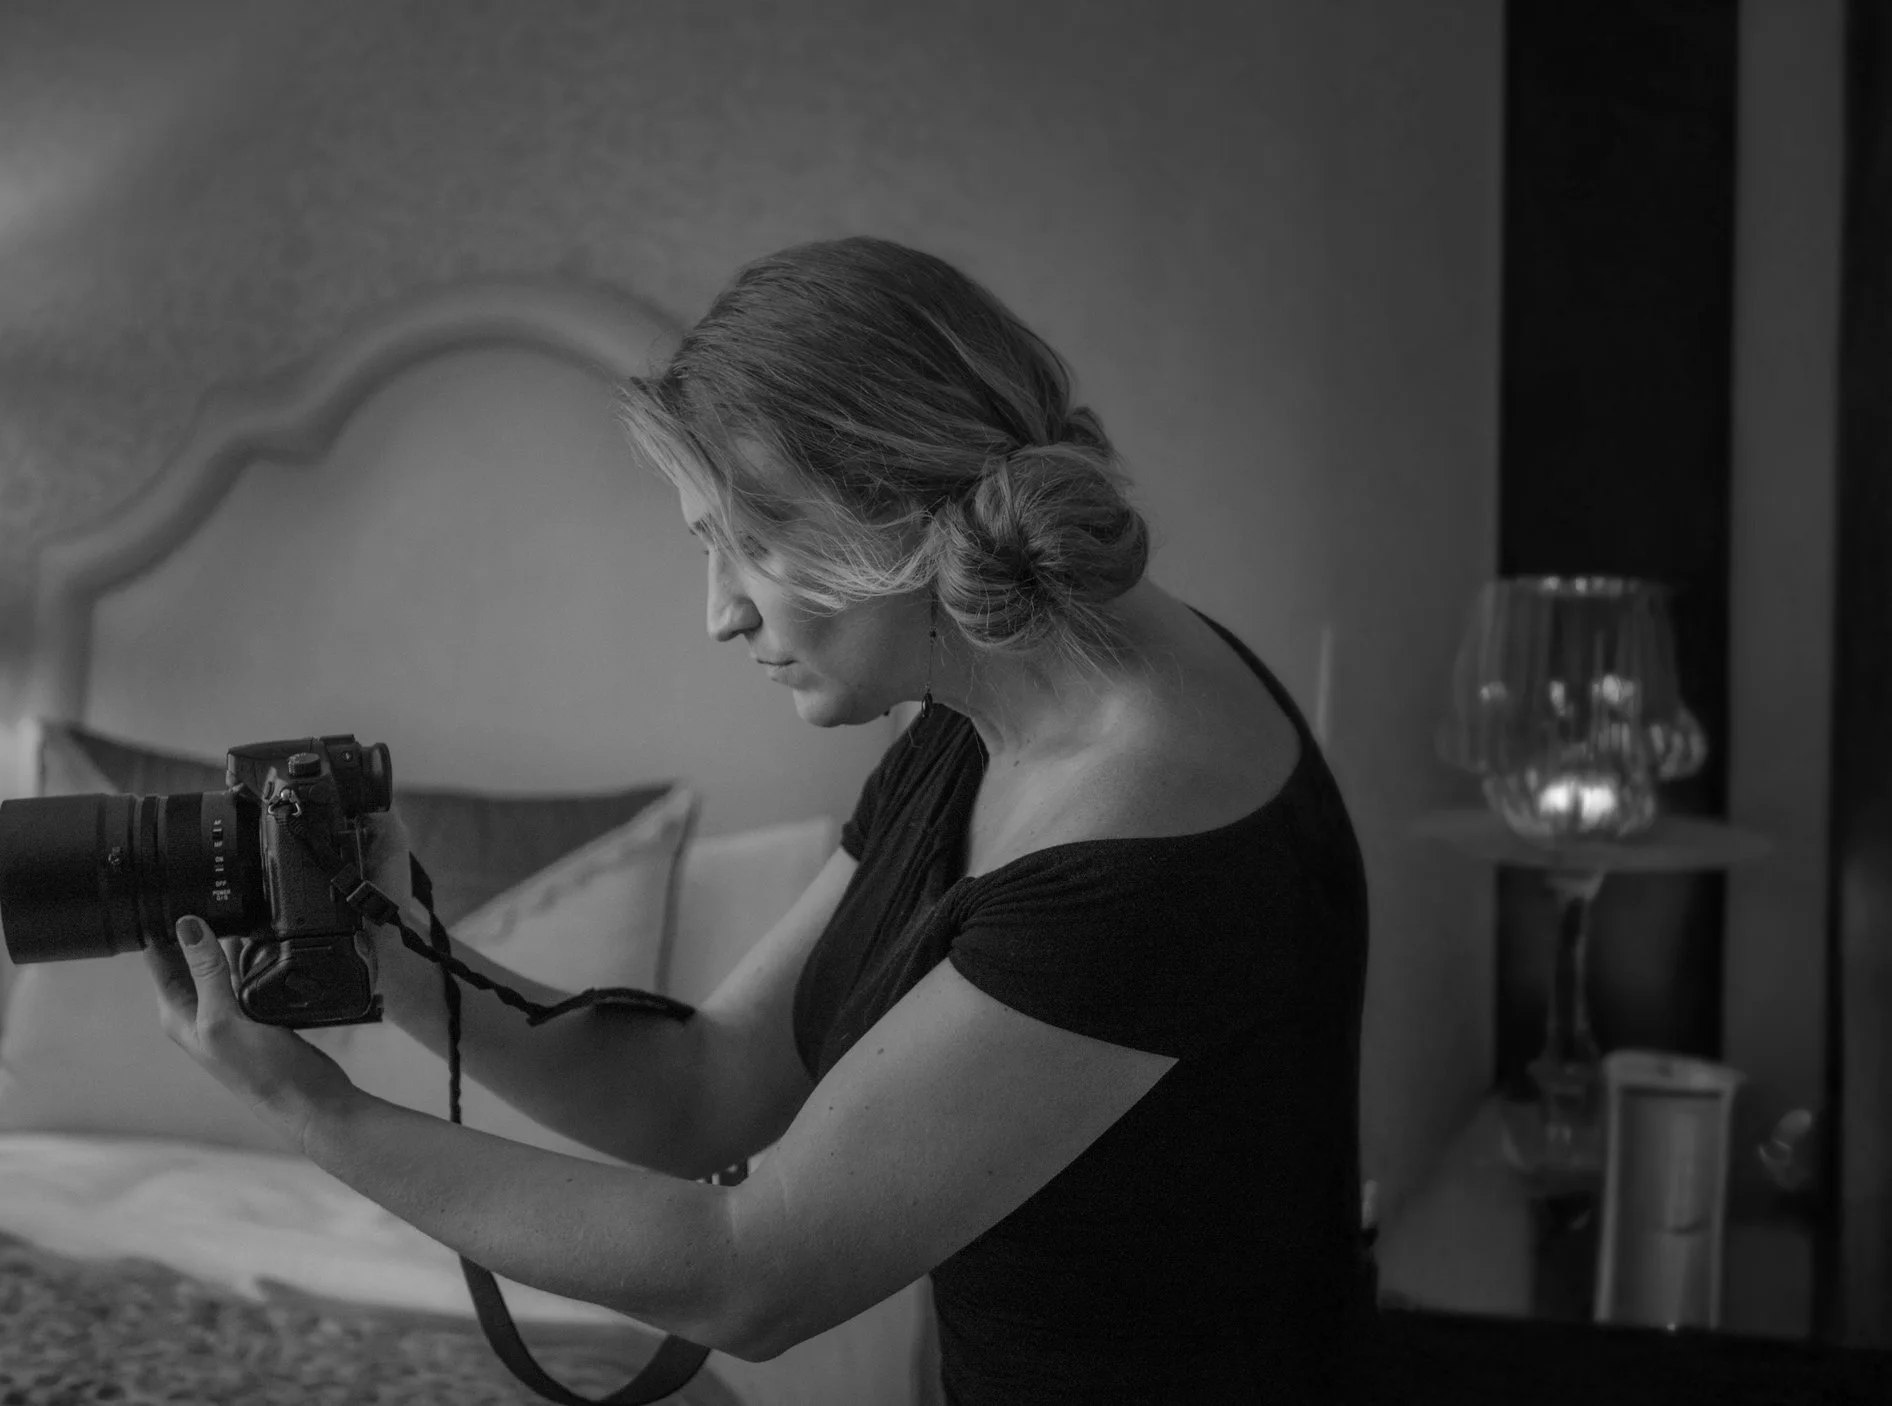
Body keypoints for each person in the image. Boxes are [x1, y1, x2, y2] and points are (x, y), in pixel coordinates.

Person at [144, 236, 1372, 1404]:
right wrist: (396, 960)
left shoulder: (1147, 832)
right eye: (704, 544)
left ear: (901, 514)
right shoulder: (982, 695)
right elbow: (708, 1088)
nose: (720, 613)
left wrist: (315, 1107)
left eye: (755, 541)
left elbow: (750, 1268)